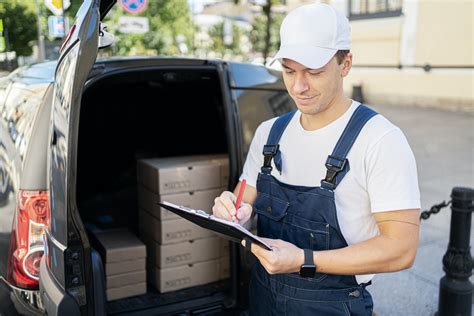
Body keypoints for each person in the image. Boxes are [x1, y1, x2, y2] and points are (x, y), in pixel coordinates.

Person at [212, 3, 420, 315]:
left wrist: (304, 259)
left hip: (331, 306)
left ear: (345, 63)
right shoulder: (269, 133)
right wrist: (232, 213)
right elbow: (245, 199)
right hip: (263, 295)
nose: (299, 86)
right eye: (289, 70)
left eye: (314, 71)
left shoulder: (380, 140)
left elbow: (401, 250)